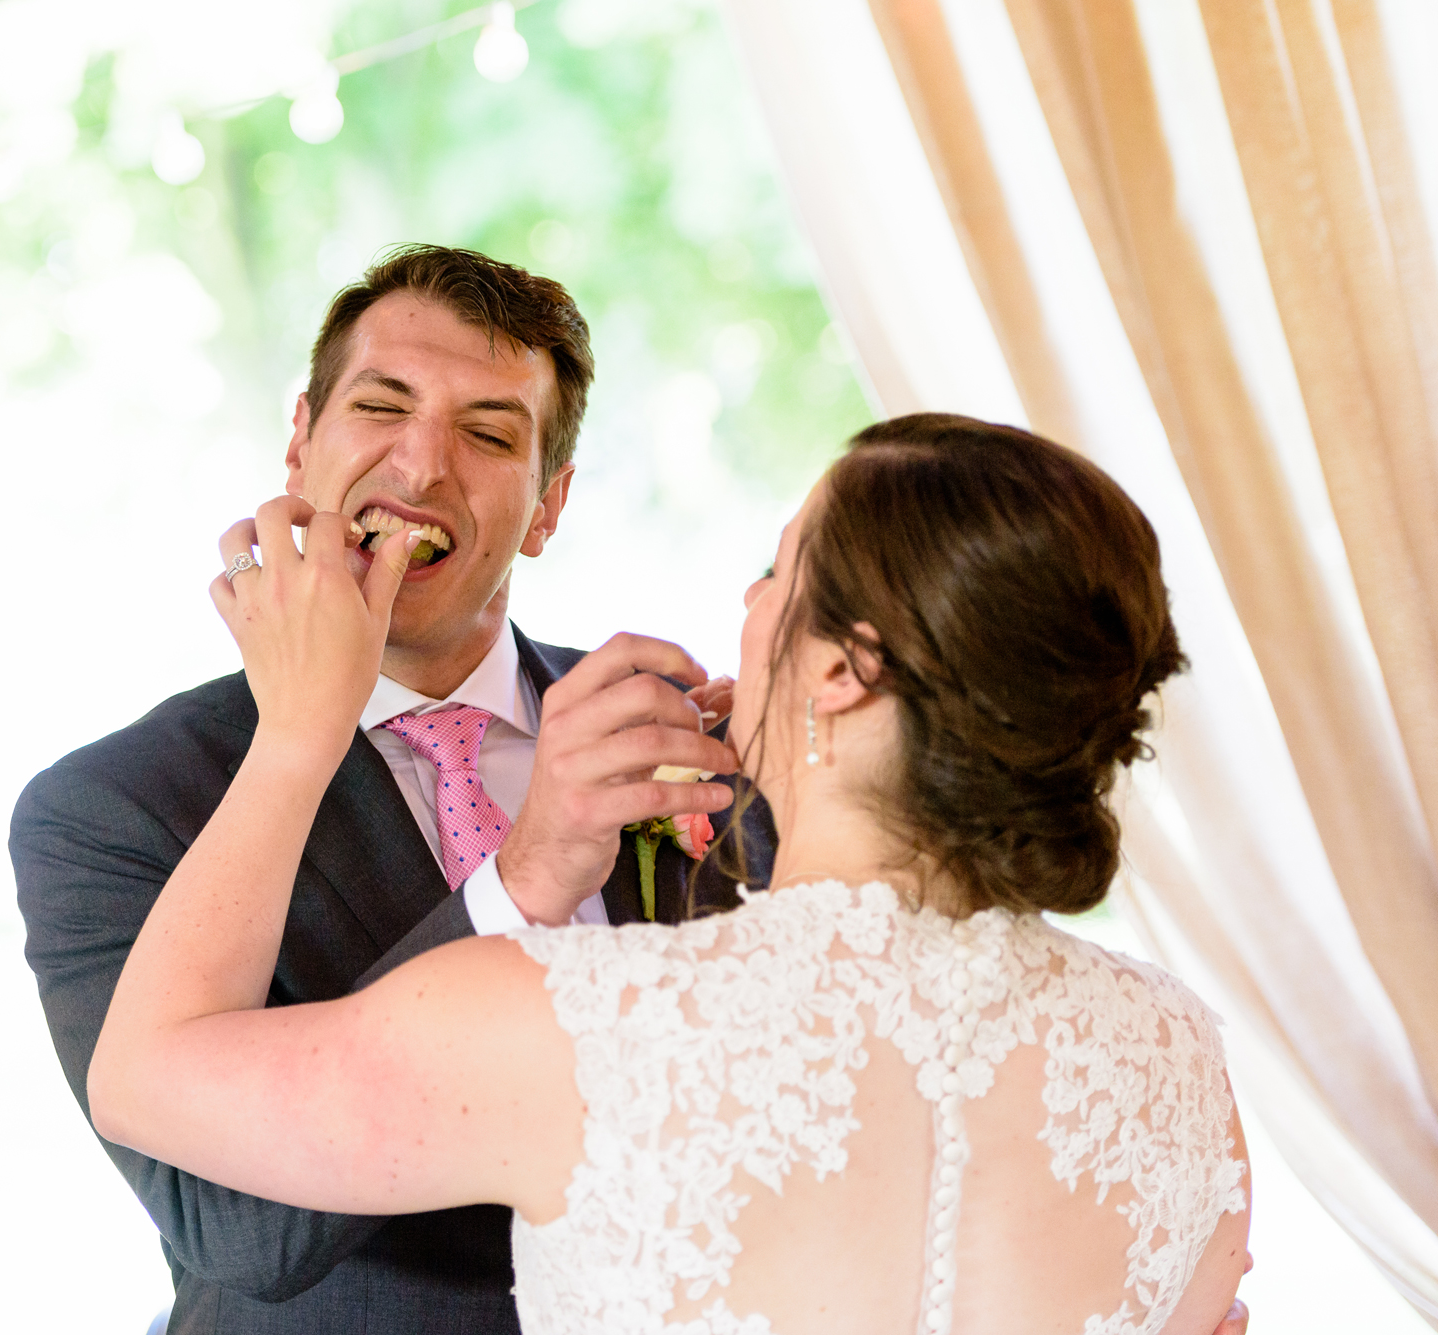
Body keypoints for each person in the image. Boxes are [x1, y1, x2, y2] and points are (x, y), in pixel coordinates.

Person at [91, 413, 1256, 1334]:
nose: (747, 608)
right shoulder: (1173, 1054)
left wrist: (299, 727)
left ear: (846, 672)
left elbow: (145, 1077)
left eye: (774, 570)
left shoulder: (581, 1023)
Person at [11, 245, 773, 1334]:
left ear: (547, 506)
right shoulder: (110, 809)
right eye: (382, 405)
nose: (419, 469)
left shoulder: (657, 734)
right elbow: (234, 1226)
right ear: (299, 444)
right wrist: (519, 879)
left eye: (488, 433)